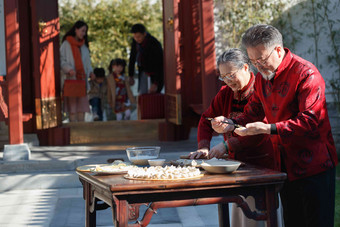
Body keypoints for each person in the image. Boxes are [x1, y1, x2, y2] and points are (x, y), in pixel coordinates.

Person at [212, 24, 338, 227]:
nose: (258, 67)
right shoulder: (263, 79)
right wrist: (230, 123)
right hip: (284, 166)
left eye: (261, 60)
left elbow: (311, 120)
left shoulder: (306, 74)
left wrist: (268, 128)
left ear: (278, 50)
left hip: (315, 166)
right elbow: (253, 112)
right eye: (253, 62)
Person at [189, 48, 281, 227]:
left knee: (259, 218)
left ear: (246, 67)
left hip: (263, 167)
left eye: (231, 75)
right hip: (234, 168)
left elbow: (257, 131)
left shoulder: (261, 91)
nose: (228, 81)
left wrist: (225, 145)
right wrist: (203, 147)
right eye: (223, 77)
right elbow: (206, 120)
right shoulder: (224, 93)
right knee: (239, 218)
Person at [60, 20, 94, 122]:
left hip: (82, 80)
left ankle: (81, 131)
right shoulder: (66, 44)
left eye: (85, 32)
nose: (83, 33)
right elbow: (60, 59)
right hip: (71, 80)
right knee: (73, 108)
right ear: (76, 29)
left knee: (82, 108)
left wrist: (91, 72)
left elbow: (88, 62)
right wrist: (68, 69)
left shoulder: (84, 46)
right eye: (82, 30)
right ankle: (73, 131)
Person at [128, 23, 164, 94]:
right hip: (143, 72)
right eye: (135, 37)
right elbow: (132, 58)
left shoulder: (154, 44)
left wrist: (156, 83)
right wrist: (131, 75)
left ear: (144, 34)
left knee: (154, 95)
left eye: (139, 37)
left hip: (155, 73)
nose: (137, 39)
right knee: (142, 94)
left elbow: (159, 64)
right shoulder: (135, 43)